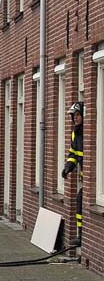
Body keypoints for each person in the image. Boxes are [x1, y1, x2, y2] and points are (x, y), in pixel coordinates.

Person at [62, 102, 84, 247]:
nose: (75, 118)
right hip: (84, 176)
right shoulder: (75, 132)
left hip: (92, 179)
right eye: (73, 116)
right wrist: (68, 167)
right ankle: (80, 236)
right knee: (79, 201)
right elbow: (73, 153)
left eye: (77, 115)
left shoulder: (88, 131)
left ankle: (81, 237)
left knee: (81, 200)